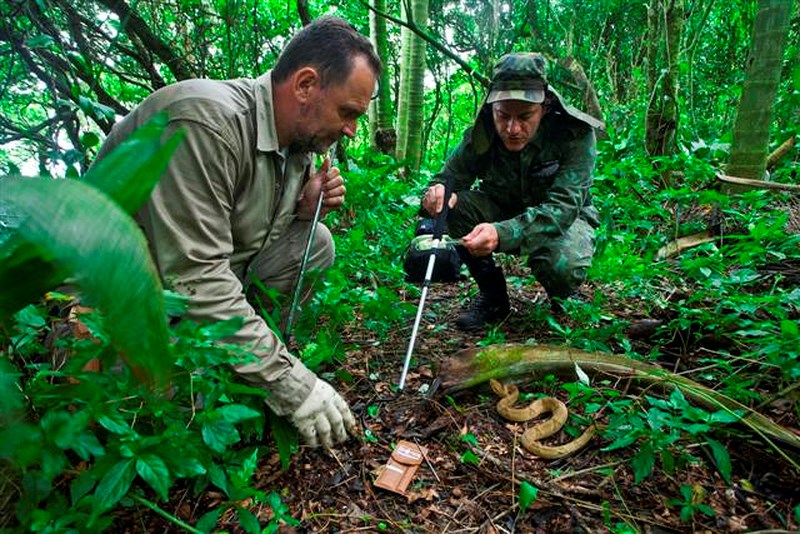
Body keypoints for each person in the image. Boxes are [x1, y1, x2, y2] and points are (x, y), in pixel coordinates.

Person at [91, 16, 381, 448]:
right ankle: (238, 371)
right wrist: (292, 385)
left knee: (314, 243)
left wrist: (302, 209)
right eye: (348, 112)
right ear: (305, 85)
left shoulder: (297, 141)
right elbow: (196, 275)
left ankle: (246, 361)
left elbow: (246, 239)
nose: (353, 129)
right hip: (116, 308)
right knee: (178, 405)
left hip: (183, 294)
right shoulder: (205, 123)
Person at [421, 52, 603, 331]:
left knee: (561, 266)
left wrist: (501, 233)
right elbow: (448, 178)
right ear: (492, 108)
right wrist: (438, 194)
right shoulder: (482, 133)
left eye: (525, 116)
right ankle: (493, 297)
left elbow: (563, 209)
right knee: (456, 207)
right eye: (503, 116)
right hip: (502, 206)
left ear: (544, 106)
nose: (512, 128)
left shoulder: (574, 134)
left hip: (564, 219)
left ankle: (563, 295)